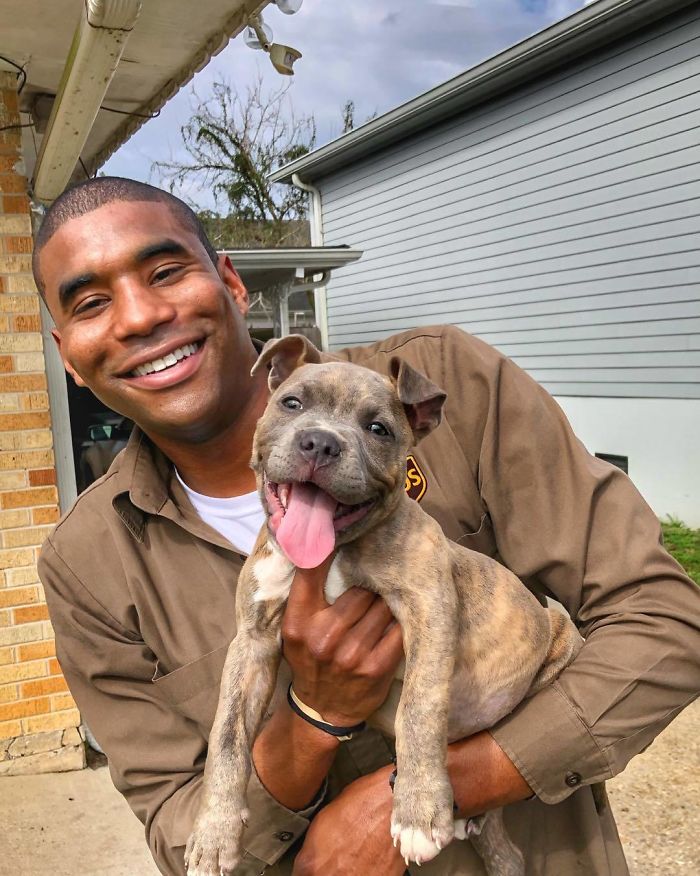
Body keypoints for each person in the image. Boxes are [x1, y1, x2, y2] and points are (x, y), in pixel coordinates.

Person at [34, 177, 699, 876]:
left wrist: (444, 788)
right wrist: (315, 715)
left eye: (165, 270)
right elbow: (183, 836)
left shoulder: (449, 384)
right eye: (91, 303)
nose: (138, 316)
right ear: (67, 354)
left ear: (230, 282)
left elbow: (668, 623)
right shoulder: (88, 564)